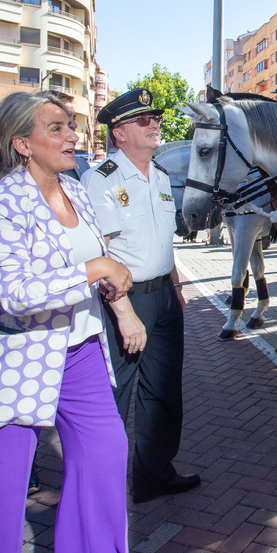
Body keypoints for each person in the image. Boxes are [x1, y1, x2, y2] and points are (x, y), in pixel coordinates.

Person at [0, 91, 140, 553]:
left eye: (70, 126)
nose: (71, 136)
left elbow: (94, 260)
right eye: (55, 128)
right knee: (1, 494)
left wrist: (121, 307)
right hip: (15, 356)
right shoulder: (0, 204)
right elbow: (14, 294)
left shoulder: (76, 188)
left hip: (80, 351)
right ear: (22, 144)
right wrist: (97, 268)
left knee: (105, 455)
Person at [83, 88, 199, 503]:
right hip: (125, 302)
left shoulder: (163, 176)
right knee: (118, 394)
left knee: (164, 390)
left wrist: (176, 285)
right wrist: (124, 311)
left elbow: (162, 241)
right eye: (144, 120)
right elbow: (99, 252)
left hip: (164, 296)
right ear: (119, 134)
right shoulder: (102, 180)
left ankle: (153, 475)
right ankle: (104, 487)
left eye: (156, 119)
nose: (155, 125)